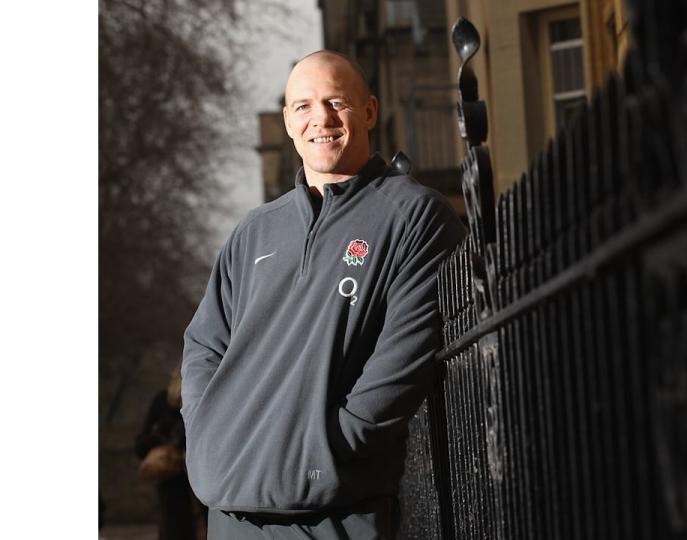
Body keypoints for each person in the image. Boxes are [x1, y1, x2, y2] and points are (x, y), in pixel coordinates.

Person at [180, 50, 465, 539]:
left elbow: (404, 358)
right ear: (290, 123)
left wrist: (329, 448)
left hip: (335, 513)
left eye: (337, 102)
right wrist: (211, 433)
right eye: (305, 106)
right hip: (231, 513)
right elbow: (204, 346)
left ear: (370, 111)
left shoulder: (414, 216)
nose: (322, 119)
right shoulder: (254, 231)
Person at [135, 367, 208, 540]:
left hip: (201, 482)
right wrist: (162, 434)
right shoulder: (163, 402)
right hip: (173, 484)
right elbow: (140, 445)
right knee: (176, 528)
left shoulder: (205, 400)